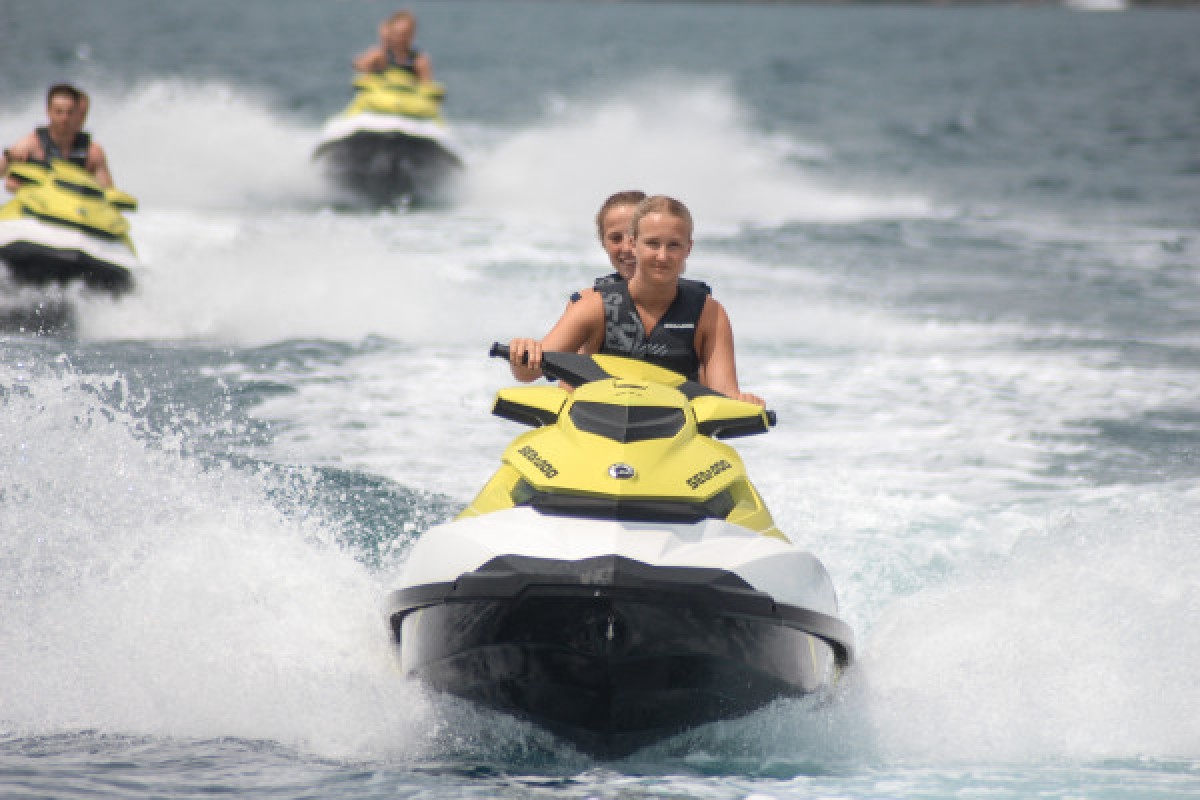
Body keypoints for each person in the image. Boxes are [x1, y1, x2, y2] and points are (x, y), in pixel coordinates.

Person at [509, 195, 764, 406]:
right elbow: (528, 372)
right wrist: (524, 352)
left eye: (673, 245)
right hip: (596, 435)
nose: (662, 256)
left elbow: (724, 396)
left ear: (689, 248)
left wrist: (744, 403)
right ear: (636, 244)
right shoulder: (593, 305)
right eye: (653, 244)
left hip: (672, 440)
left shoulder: (708, 312)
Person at [569, 190, 709, 305]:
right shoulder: (587, 304)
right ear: (603, 243)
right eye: (616, 238)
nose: (627, 248)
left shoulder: (701, 306)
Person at [1, 83, 113, 192]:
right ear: (49, 112)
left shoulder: (93, 152)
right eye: (59, 112)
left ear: (78, 114)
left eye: (70, 112)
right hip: (37, 206)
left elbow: (108, 193)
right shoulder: (29, 145)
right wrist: (9, 160)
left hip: (76, 208)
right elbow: (8, 181)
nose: (64, 118)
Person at [353, 10, 433, 81]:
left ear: (412, 35)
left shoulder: (419, 60)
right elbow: (359, 64)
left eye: (405, 34)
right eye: (397, 34)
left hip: (407, 95)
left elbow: (427, 86)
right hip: (379, 94)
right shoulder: (380, 54)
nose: (401, 38)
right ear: (391, 33)